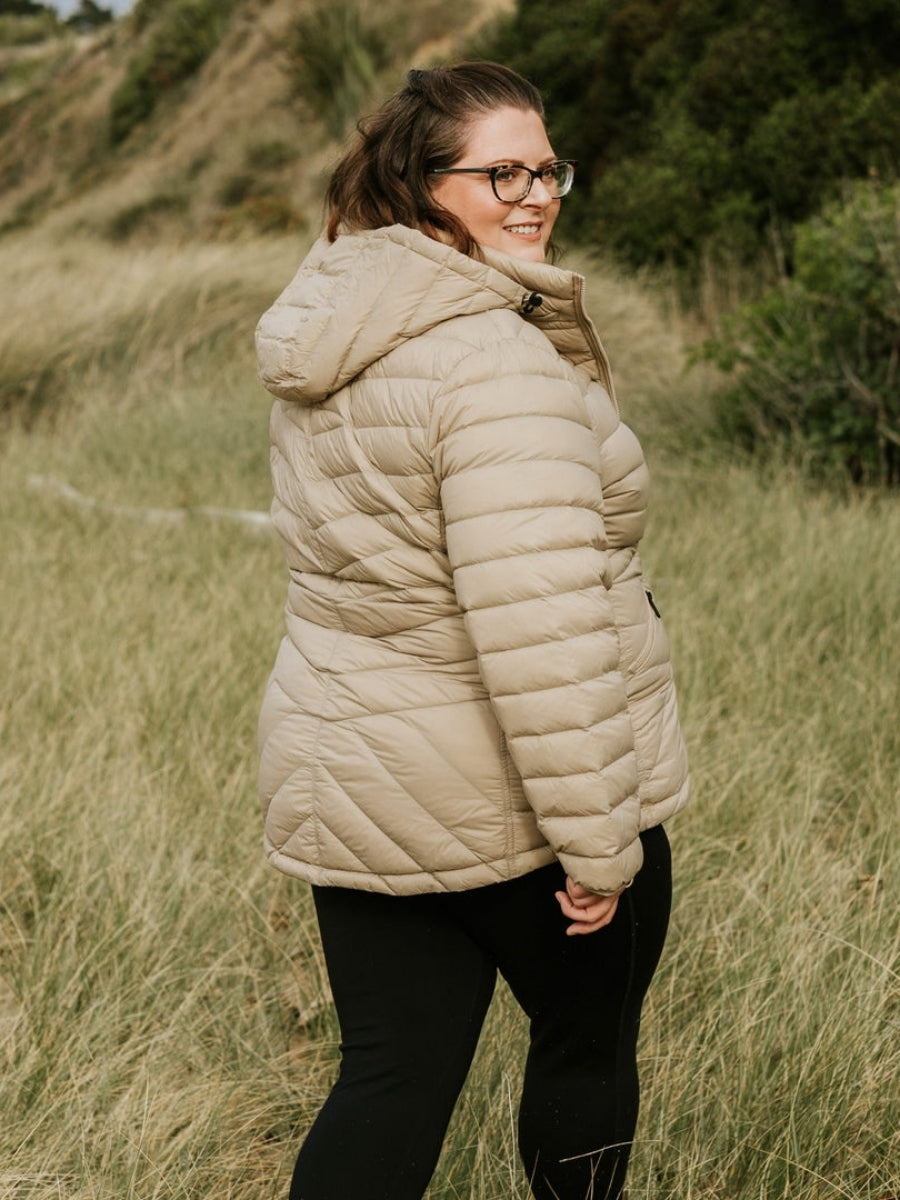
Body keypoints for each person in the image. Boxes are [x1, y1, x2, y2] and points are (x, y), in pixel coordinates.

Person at [255, 61, 690, 1200]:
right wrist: (599, 843)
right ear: (423, 183)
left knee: (388, 1084)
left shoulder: (340, 319)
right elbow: (544, 633)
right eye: (502, 173)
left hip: (360, 781)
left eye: (548, 169)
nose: (537, 194)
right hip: (512, 804)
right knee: (585, 1055)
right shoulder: (496, 365)